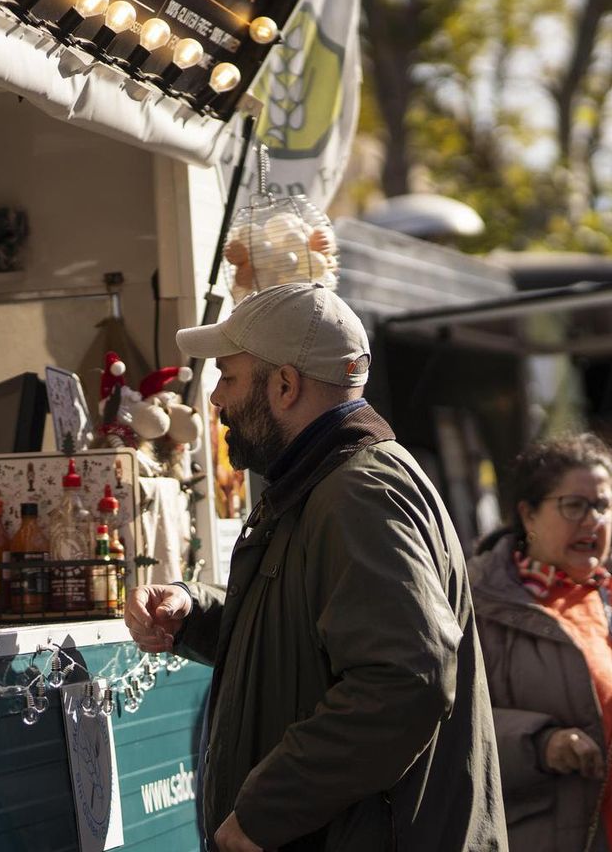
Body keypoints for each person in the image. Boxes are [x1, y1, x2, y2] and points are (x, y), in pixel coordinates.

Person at [124, 282, 506, 851]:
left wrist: (265, 812)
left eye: (228, 377)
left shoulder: (356, 492)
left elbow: (406, 680)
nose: (216, 399)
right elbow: (310, 639)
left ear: (285, 385)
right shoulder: (326, 482)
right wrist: (195, 613)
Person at [468, 434, 612, 851]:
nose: (593, 520)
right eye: (574, 505)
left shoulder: (605, 595)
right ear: (528, 514)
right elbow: (448, 724)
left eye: (603, 505)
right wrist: (540, 744)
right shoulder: (477, 605)